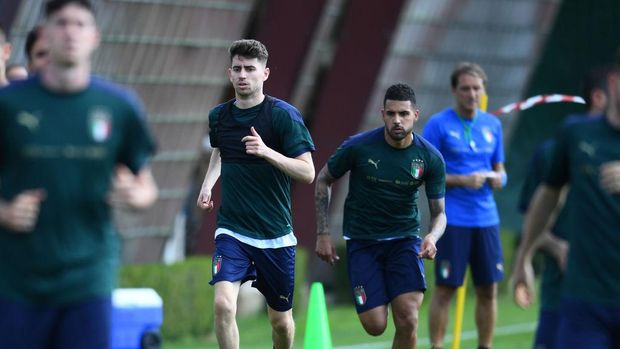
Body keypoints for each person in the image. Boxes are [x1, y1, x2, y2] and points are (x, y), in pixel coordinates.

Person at [0, 1, 158, 348]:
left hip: (88, 275)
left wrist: (135, 195)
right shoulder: (9, 105)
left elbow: (146, 186)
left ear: (95, 36)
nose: (71, 31)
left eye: (80, 23)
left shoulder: (119, 106)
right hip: (17, 280)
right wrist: (5, 212)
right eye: (61, 23)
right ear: (46, 33)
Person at [196, 39, 315, 349]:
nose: (242, 75)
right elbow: (221, 152)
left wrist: (267, 152)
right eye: (237, 69)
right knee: (223, 305)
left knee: (280, 323)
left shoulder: (283, 116)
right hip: (232, 230)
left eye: (250, 69)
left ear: (265, 73)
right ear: (229, 73)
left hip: (275, 235)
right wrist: (208, 184)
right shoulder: (219, 117)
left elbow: (307, 172)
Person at [315, 83, 447, 348]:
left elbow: (440, 213)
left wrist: (432, 237)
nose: (397, 120)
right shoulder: (359, 147)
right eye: (391, 114)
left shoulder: (430, 158)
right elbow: (323, 179)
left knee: (408, 318)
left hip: (405, 240)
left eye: (403, 114)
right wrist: (323, 233)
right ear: (382, 114)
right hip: (363, 242)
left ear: (415, 115)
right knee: (375, 325)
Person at [512, 54, 620, 349]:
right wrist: (524, 257)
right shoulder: (574, 135)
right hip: (584, 300)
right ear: (613, 82)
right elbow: (548, 195)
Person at [423, 62, 506, 349]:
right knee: (445, 290)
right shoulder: (438, 124)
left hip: (486, 219)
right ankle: (436, 345)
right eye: (465, 88)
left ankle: (485, 345)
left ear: (484, 91)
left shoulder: (492, 125)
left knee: (488, 290)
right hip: (452, 219)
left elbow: (500, 169)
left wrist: (499, 178)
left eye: (477, 88)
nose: (471, 94)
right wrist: (461, 179)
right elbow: (425, 172)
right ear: (454, 91)